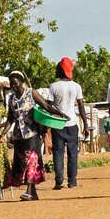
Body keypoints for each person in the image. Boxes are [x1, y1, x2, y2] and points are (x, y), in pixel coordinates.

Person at [45, 57, 87, 191]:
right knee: (72, 153)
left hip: (58, 124)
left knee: (58, 152)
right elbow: (81, 107)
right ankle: (72, 181)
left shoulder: (54, 86)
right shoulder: (76, 86)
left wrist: (46, 127)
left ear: (62, 70)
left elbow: (48, 107)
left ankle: (58, 181)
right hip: (72, 124)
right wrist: (85, 125)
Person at [5, 71, 44, 200]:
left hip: (32, 133)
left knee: (31, 161)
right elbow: (10, 119)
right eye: (11, 84)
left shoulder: (31, 93)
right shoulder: (11, 99)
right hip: (19, 136)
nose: (13, 86)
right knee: (22, 163)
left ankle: (29, 191)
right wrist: (2, 134)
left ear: (21, 82)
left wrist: (60, 114)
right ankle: (33, 192)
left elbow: (45, 106)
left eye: (15, 83)